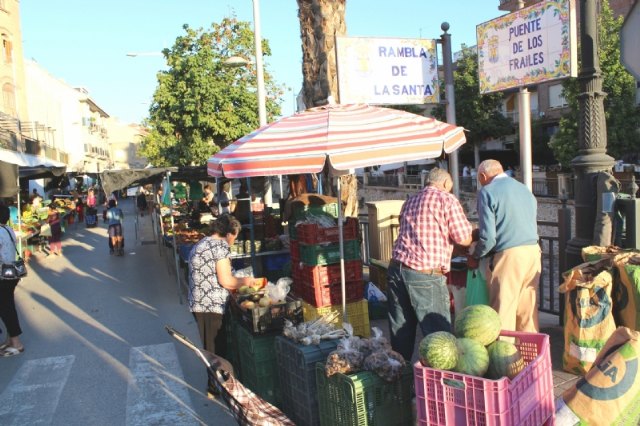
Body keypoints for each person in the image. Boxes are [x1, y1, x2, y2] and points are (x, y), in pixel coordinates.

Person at [387, 168, 473, 361]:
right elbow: (464, 238)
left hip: (396, 270)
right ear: (445, 184)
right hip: (424, 273)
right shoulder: (446, 200)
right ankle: (442, 384)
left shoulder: (410, 201)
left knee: (401, 330)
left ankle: (400, 378)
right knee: (438, 336)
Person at [469, 159, 541, 333]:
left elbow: (488, 238)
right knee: (527, 311)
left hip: (509, 256)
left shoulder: (487, 192)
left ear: (482, 176)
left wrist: (475, 256)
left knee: (503, 311)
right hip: (533, 252)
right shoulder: (524, 189)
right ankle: (530, 355)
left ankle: (504, 358)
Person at [187, 214, 264, 358]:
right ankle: (217, 379)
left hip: (201, 303)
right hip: (210, 305)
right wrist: (247, 281)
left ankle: (216, 378)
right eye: (235, 237)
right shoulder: (219, 246)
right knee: (215, 351)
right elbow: (226, 280)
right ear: (228, 234)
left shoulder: (204, 242)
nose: (233, 241)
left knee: (211, 347)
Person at [0, 205, 26, 357]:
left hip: (2, 276)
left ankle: (16, 343)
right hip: (11, 274)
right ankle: (11, 340)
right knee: (8, 306)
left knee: (6, 309)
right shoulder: (8, 230)